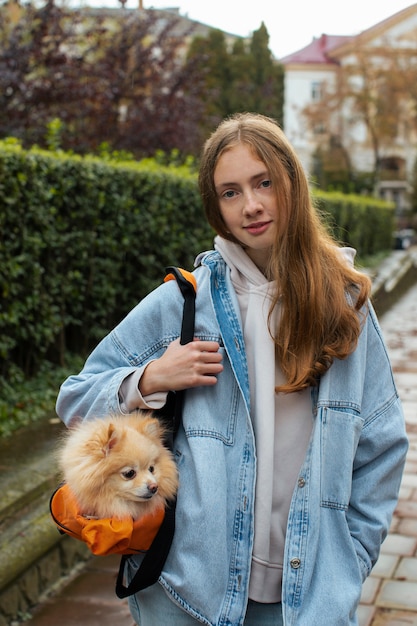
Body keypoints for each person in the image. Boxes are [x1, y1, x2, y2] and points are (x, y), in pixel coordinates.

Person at [56, 112, 408, 626]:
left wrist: (349, 559)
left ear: (292, 181)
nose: (252, 205)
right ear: (215, 207)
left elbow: (383, 441)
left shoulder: (344, 302)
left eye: (264, 182)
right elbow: (75, 396)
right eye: (230, 192)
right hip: (190, 593)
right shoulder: (186, 303)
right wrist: (149, 379)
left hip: (308, 596)